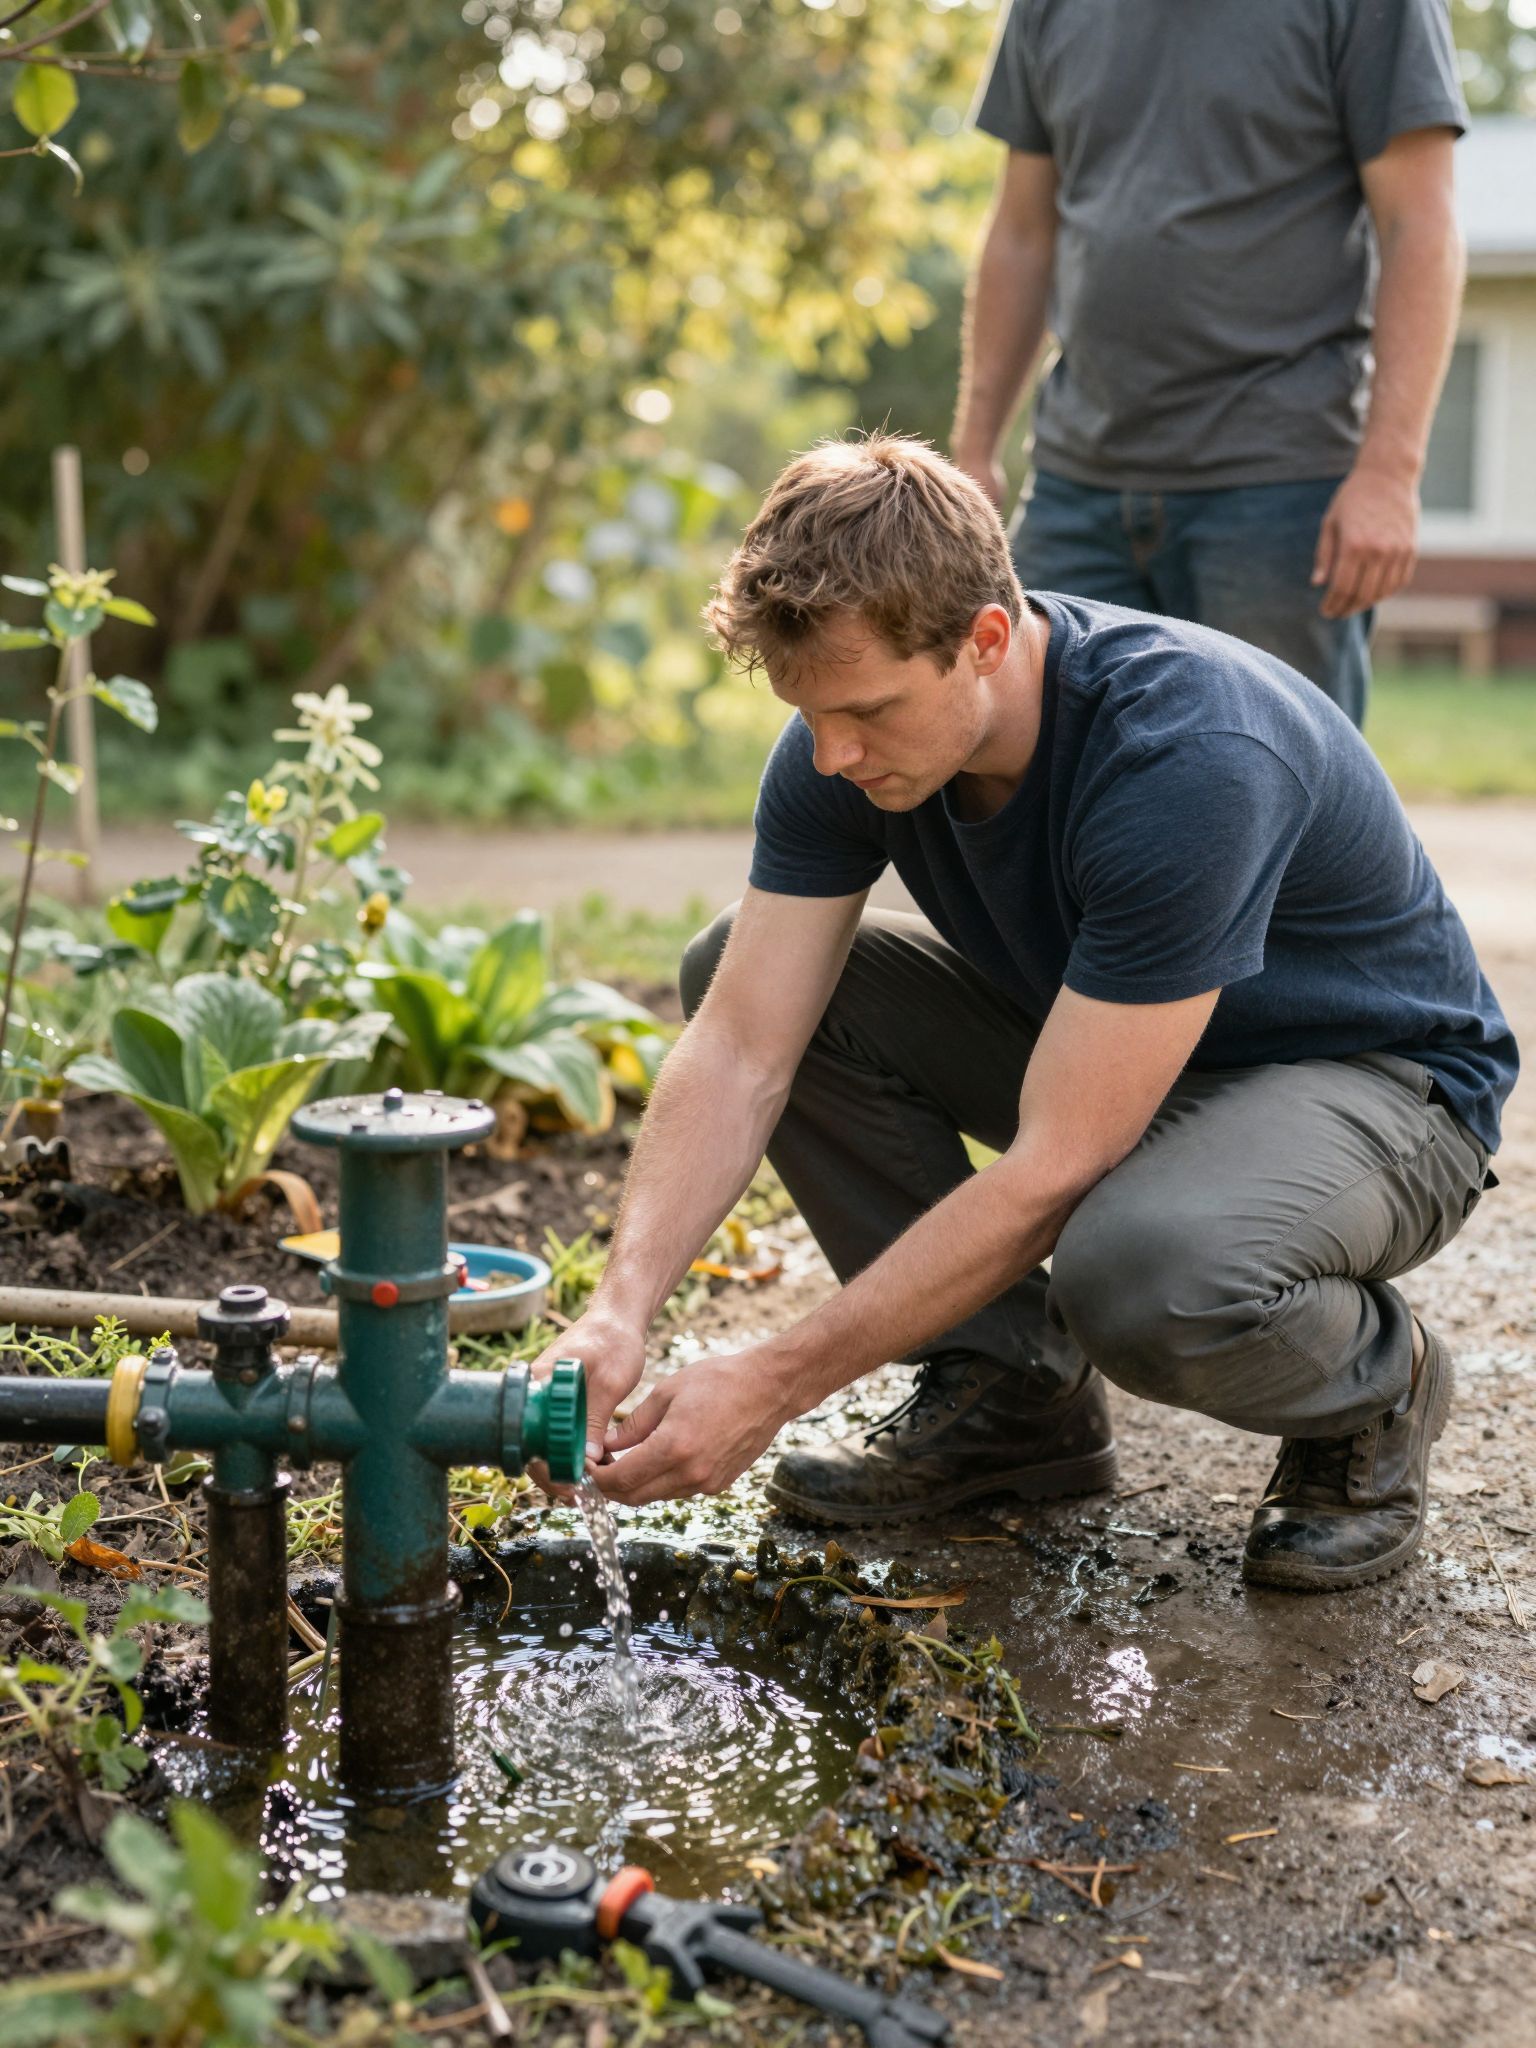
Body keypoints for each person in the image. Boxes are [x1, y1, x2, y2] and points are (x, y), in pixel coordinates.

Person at [549, 436, 1515, 1594]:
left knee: (1139, 1269)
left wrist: (772, 1378)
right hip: (1123, 1046)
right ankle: (1009, 1391)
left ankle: (1379, 1382)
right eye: (809, 714)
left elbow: (1059, 1163)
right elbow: (745, 1043)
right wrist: (617, 1309)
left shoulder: (1185, 752)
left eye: (866, 711)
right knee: (736, 970)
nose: (832, 753)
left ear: (987, 640)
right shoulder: (838, 746)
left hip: (1376, 1086)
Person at [951, 0, 1469, 729]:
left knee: (1274, 794)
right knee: (1042, 792)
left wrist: (1391, 471)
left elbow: (1421, 227)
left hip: (1279, 493)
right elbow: (1022, 234)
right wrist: (974, 450)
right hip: (1078, 484)